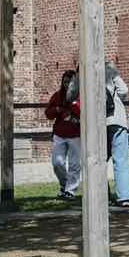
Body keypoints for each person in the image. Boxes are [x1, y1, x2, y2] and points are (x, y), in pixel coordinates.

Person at [44, 70, 82, 201]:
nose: (67, 85)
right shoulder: (58, 95)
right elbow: (48, 113)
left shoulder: (81, 96)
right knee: (57, 162)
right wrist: (55, 111)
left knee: (75, 164)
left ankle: (70, 191)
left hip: (76, 134)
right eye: (65, 82)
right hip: (60, 133)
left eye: (69, 82)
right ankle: (65, 185)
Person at [104, 61, 129, 206]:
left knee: (98, 161)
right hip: (117, 118)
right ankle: (124, 197)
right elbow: (123, 89)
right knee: (121, 159)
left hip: (96, 123)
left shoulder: (83, 69)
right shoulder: (108, 68)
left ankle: (104, 197)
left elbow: (71, 95)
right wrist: (115, 100)